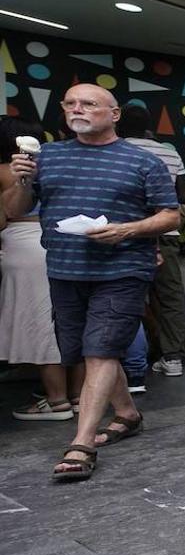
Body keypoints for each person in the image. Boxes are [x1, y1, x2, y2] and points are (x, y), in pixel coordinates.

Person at [2, 84, 179, 481]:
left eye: (89, 104)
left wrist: (128, 230)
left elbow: (171, 216)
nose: (78, 109)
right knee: (87, 350)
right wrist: (22, 182)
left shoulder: (141, 161)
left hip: (123, 267)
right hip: (65, 269)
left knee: (101, 349)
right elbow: (14, 212)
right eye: (71, 103)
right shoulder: (46, 158)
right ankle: (128, 414)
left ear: (114, 114)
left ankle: (81, 442)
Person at [1, 118, 82, 421]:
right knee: (69, 321)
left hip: (23, 246)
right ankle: (77, 396)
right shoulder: (57, 165)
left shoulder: (5, 171)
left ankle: (56, 400)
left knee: (39, 325)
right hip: (62, 241)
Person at [117, 105, 185, 377]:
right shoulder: (169, 152)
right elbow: (184, 196)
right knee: (170, 297)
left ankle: (126, 362)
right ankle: (172, 358)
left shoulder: (115, 149)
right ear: (149, 126)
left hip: (125, 234)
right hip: (166, 233)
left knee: (123, 295)